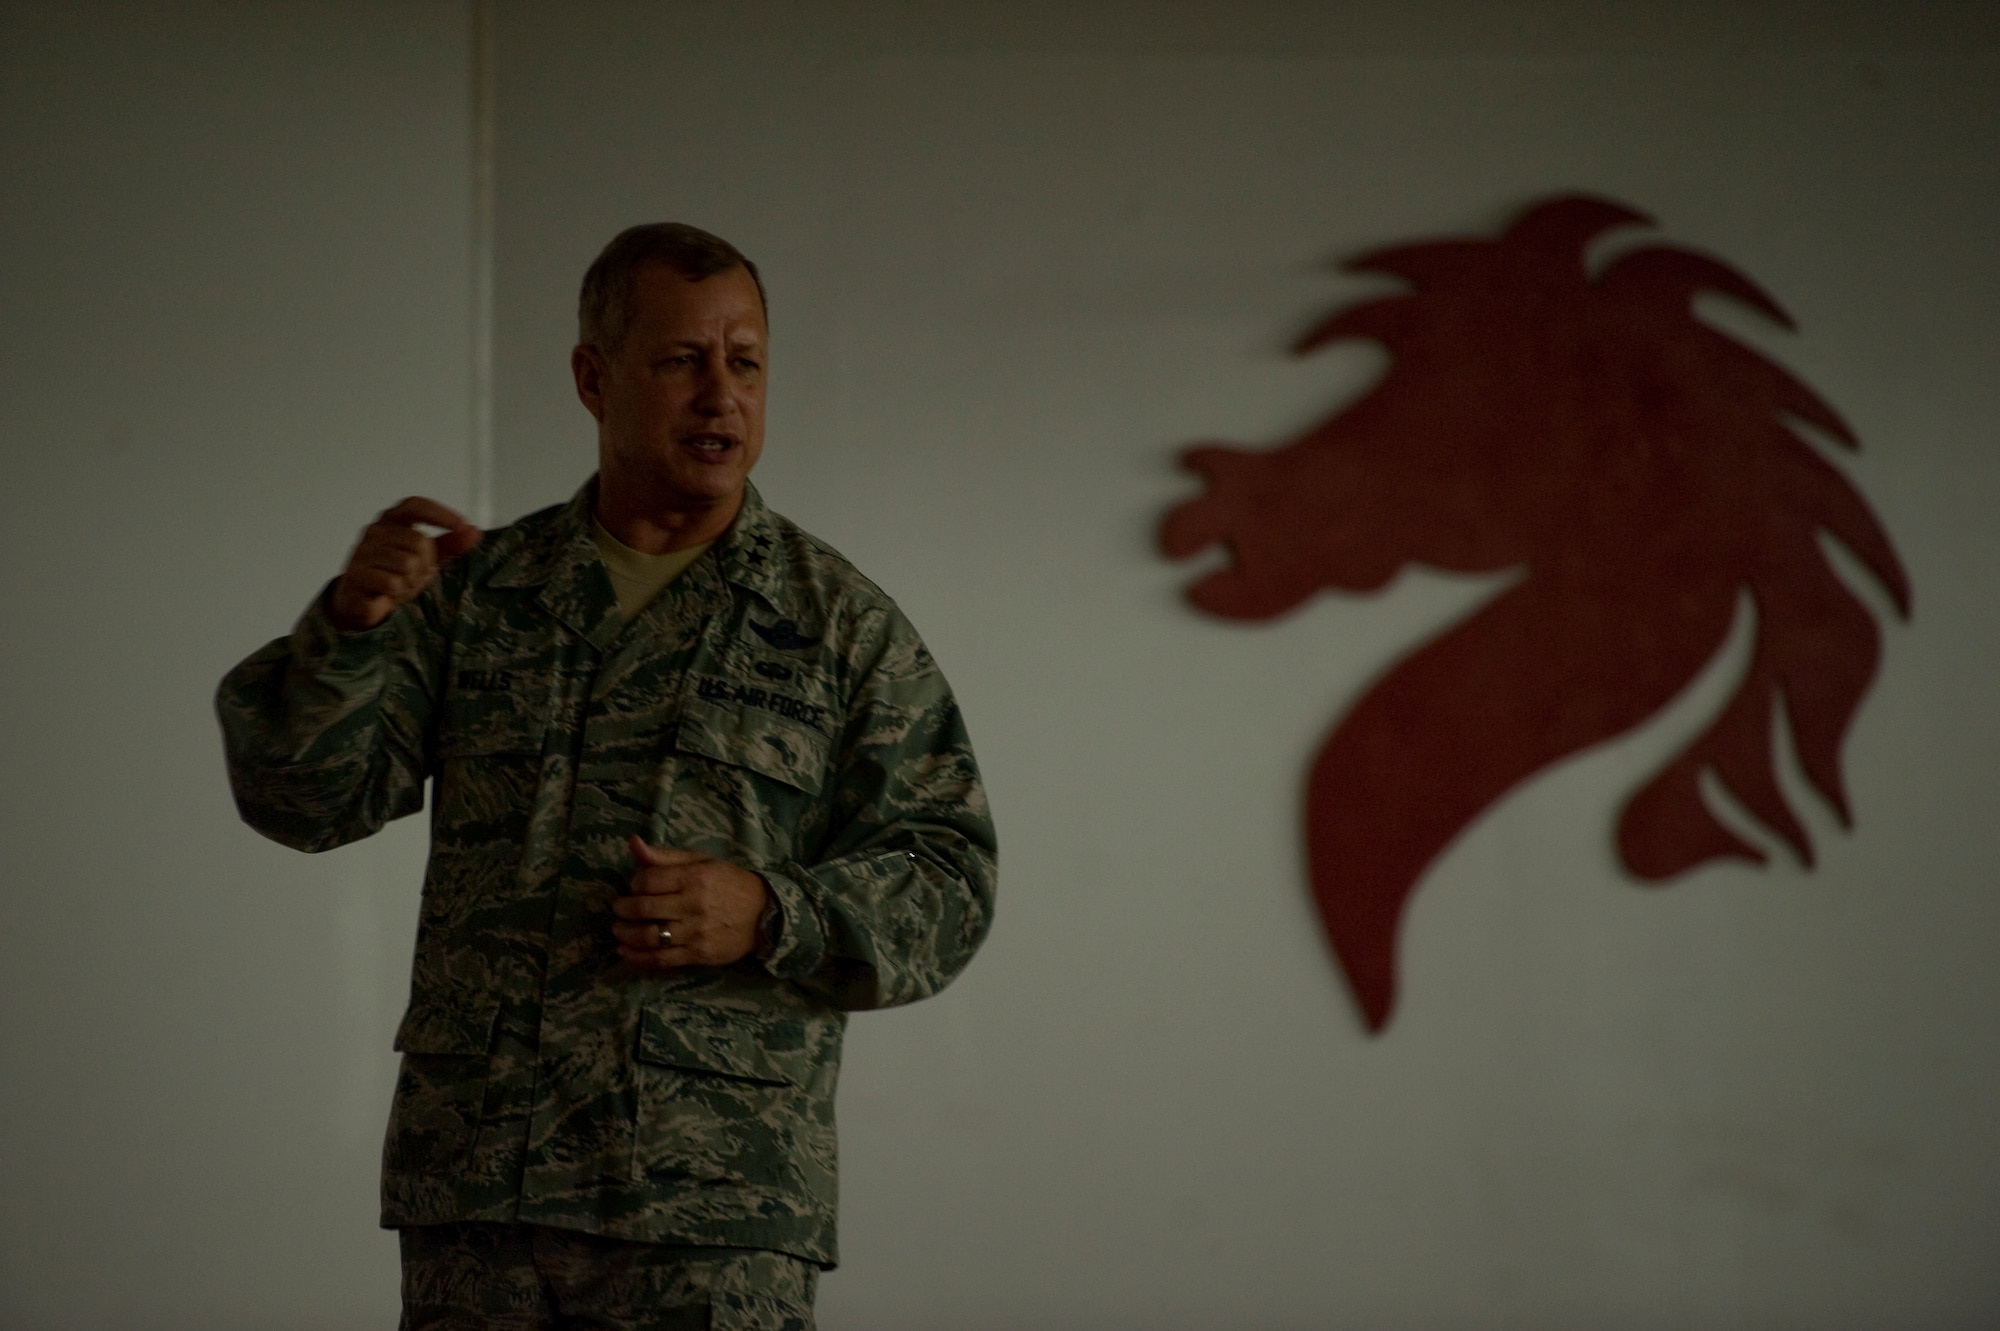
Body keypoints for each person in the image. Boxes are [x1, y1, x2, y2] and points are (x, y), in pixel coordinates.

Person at [217, 223, 997, 1329]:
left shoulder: (837, 626)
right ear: (594, 378)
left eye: (746, 362)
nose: (720, 396)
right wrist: (348, 629)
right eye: (682, 360)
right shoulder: (481, 593)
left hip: (711, 1212)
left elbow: (948, 880)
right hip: (484, 1195)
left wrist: (770, 908)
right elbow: (301, 800)